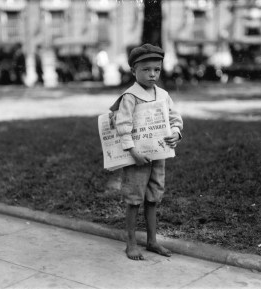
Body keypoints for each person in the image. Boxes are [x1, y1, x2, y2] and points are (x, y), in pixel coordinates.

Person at [110, 44, 183, 260]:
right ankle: (131, 243)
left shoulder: (163, 94)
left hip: (158, 155)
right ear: (133, 71)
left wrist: (176, 133)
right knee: (134, 199)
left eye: (157, 69)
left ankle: (152, 241)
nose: (152, 74)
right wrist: (132, 151)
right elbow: (123, 126)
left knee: (153, 197)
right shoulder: (130, 96)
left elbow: (174, 118)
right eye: (146, 69)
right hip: (136, 158)